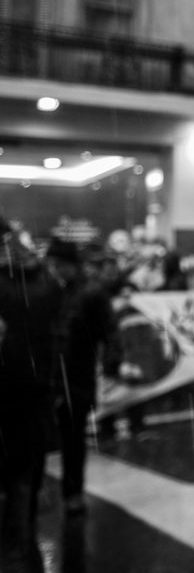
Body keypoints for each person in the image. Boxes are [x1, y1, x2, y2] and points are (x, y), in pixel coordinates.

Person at [0, 218, 63, 572]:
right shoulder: (39, 283)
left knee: (20, 488)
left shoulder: (20, 287)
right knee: (23, 485)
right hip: (29, 401)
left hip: (17, 401)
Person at [44, 239, 116, 516]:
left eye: (58, 265)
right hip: (51, 378)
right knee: (52, 437)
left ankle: (72, 493)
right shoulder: (51, 292)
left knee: (73, 439)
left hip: (77, 378)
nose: (53, 270)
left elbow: (109, 331)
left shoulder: (91, 294)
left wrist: (112, 363)